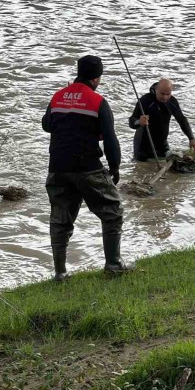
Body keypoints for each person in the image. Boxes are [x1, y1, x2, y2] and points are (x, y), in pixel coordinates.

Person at [42, 55, 132, 282]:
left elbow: (46, 125)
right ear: (96, 77)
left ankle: (60, 273)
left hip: (58, 167)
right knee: (112, 211)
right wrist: (115, 167)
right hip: (87, 167)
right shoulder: (97, 101)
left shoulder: (58, 96)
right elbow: (110, 140)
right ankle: (113, 263)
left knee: (60, 219)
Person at [129, 78, 195, 161]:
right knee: (144, 169)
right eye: (162, 94)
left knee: (173, 164)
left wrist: (191, 138)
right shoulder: (145, 100)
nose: (165, 97)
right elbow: (131, 121)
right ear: (156, 90)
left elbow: (182, 120)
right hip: (142, 147)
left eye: (168, 94)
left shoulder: (172, 102)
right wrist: (139, 122)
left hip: (163, 144)